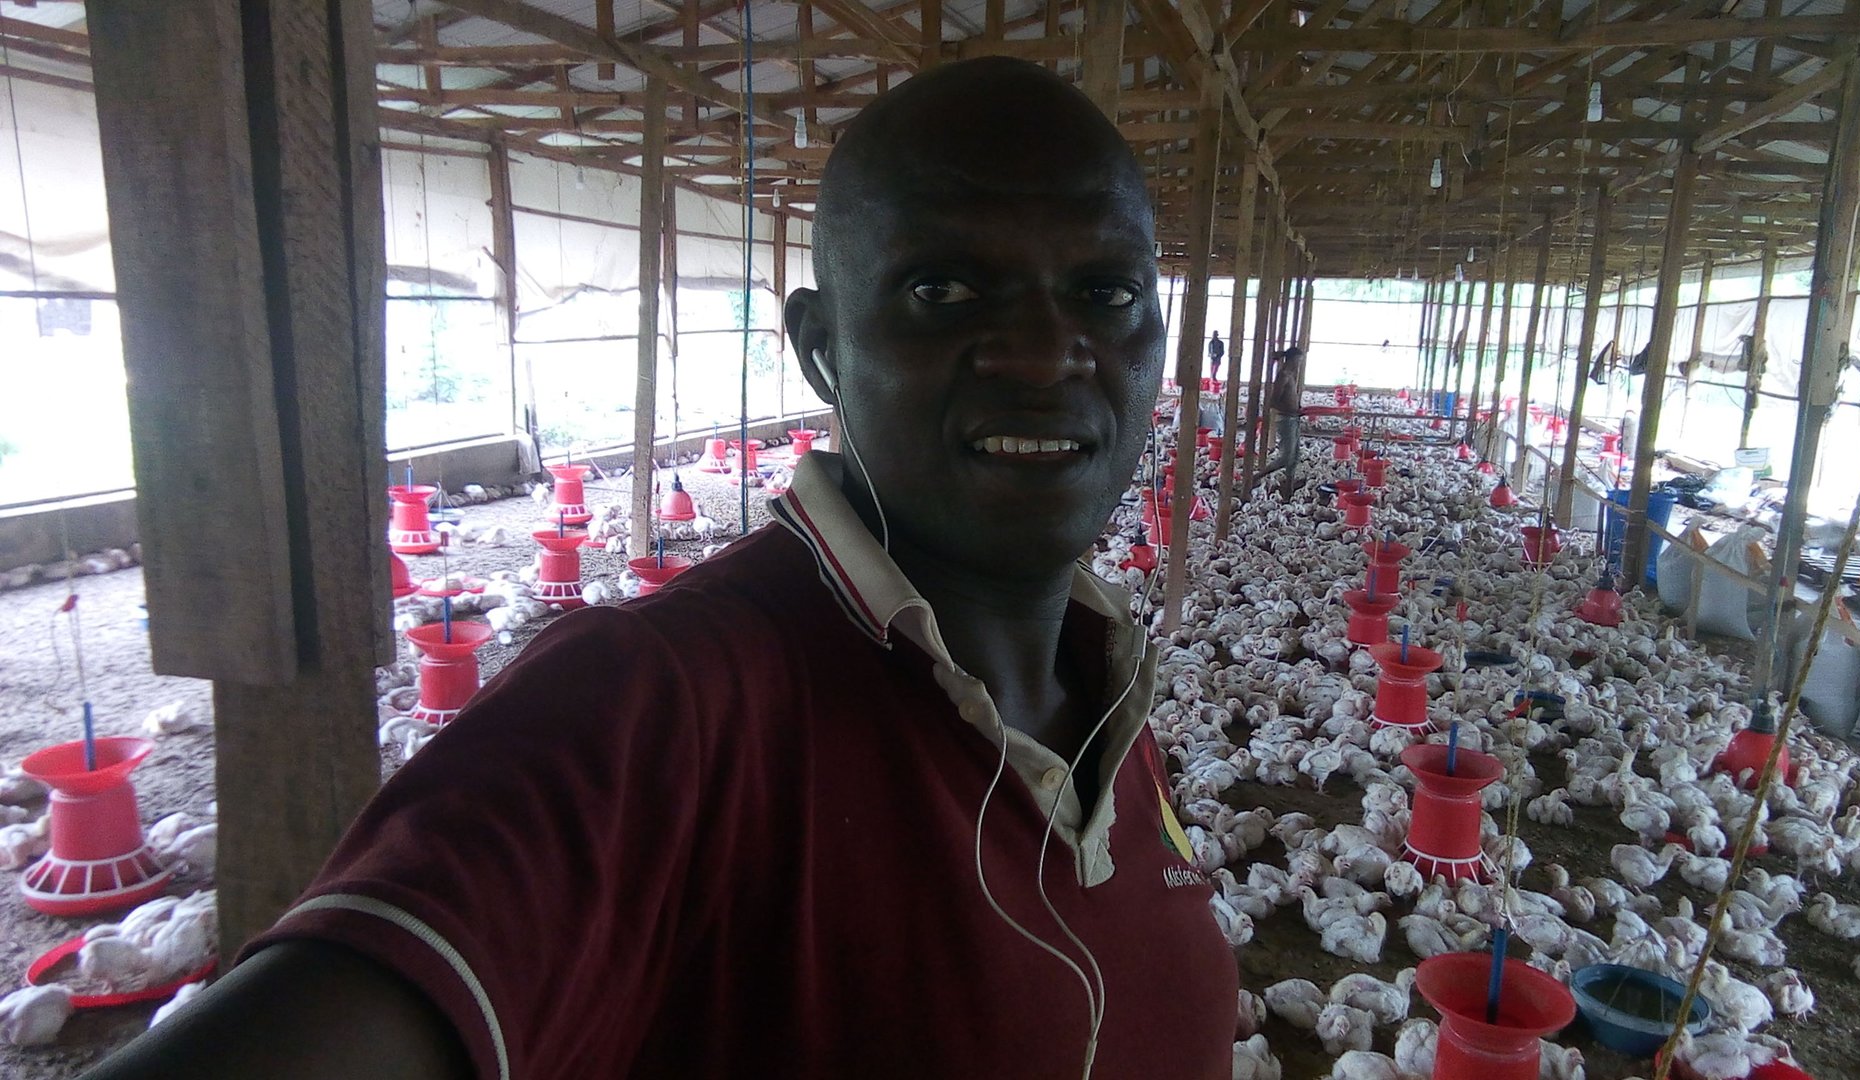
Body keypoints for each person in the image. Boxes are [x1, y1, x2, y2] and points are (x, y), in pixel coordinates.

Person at [83, 57, 1237, 1080]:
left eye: (1106, 291)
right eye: (943, 289)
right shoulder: (657, 712)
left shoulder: (1109, 695)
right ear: (824, 350)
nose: (1045, 350)